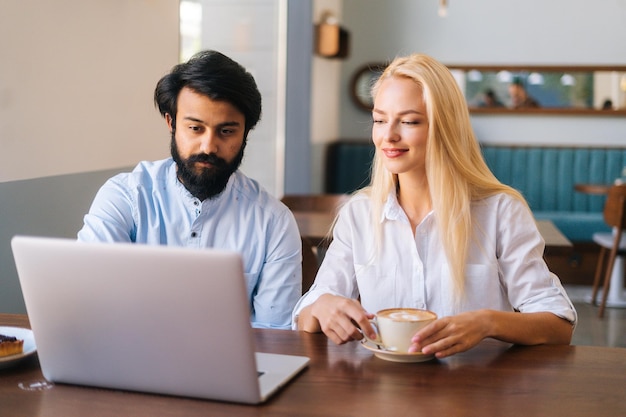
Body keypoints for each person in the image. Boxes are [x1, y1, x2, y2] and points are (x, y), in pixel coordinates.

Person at [293, 53, 577, 358]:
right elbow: (306, 315)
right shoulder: (359, 214)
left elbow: (559, 325)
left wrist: (487, 322)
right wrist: (322, 306)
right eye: (379, 120)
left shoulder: (501, 212)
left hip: (475, 394)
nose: (388, 135)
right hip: (382, 394)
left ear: (446, 126)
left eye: (409, 121)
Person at [78, 50, 302, 329]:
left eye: (226, 131)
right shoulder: (125, 197)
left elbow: (276, 334)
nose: (209, 146)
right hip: (129, 362)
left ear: (246, 132)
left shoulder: (273, 221)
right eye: (196, 128)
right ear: (171, 123)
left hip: (229, 369)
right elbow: (89, 301)